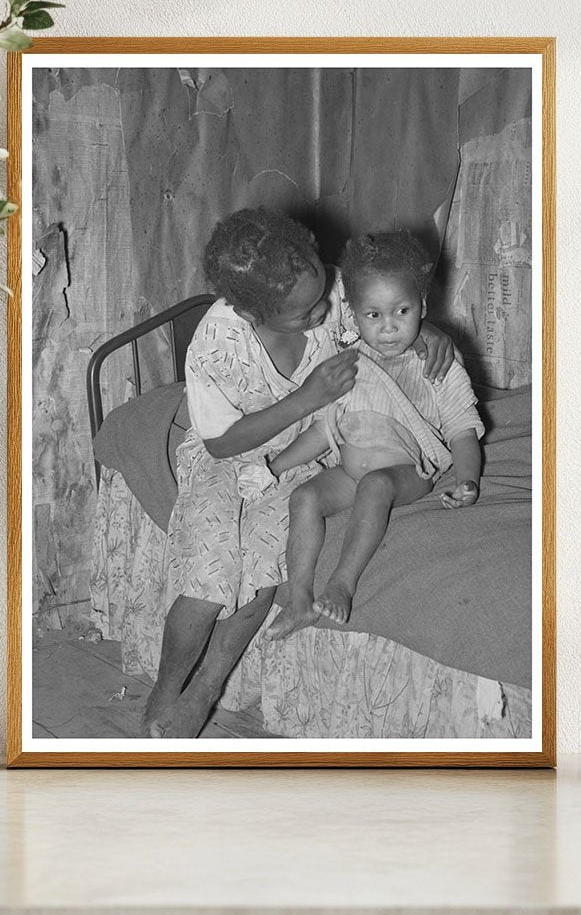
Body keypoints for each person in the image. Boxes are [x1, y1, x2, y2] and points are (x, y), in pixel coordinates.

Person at [143, 209, 454, 738]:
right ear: (247, 311)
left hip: (309, 453)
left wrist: (430, 333)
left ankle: (206, 690)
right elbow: (220, 443)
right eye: (301, 314)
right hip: (226, 458)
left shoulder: (328, 292)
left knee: (262, 572)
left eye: (321, 300)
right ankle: (165, 690)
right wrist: (308, 397)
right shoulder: (216, 343)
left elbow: (384, 318)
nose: (321, 314)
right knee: (209, 584)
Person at [265, 230, 484, 640]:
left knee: (375, 486)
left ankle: (342, 583)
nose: (388, 328)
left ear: (422, 305)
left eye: (401, 311)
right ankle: (298, 598)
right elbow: (324, 427)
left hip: (404, 472)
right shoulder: (348, 362)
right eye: (374, 315)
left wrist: (466, 479)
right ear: (352, 313)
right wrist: (274, 467)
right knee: (304, 497)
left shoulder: (437, 365)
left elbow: (462, 429)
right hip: (347, 472)